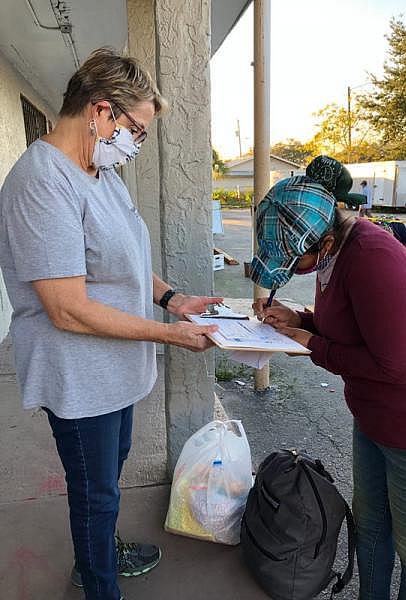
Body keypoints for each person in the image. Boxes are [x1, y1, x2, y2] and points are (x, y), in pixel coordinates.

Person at [0, 48, 222, 600]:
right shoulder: (42, 182)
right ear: (100, 111)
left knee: (105, 480)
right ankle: (101, 585)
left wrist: (172, 299)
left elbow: (123, 254)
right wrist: (170, 336)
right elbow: (66, 307)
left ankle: (96, 554)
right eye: (136, 129)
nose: (137, 143)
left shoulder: (101, 172)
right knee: (95, 489)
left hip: (114, 370)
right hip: (79, 377)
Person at [252, 155, 406, 600]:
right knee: (372, 531)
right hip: (374, 419)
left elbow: (399, 367)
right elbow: (354, 327)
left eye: (295, 262)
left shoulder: (374, 259)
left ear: (322, 242)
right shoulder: (335, 252)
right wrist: (298, 317)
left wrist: (310, 343)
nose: (295, 272)